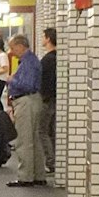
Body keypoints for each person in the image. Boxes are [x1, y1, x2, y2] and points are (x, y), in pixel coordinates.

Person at [5, 34, 45, 186]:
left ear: (21, 45)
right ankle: (38, 174)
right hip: (33, 100)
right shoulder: (31, 60)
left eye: (13, 47)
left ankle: (25, 176)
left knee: (24, 140)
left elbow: (26, 84)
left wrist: (11, 80)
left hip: (26, 101)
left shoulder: (27, 62)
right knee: (34, 139)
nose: (11, 51)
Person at [40, 27, 58, 178]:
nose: (42, 39)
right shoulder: (58, 57)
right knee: (51, 131)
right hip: (55, 98)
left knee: (43, 131)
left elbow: (44, 81)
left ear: (48, 39)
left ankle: (50, 162)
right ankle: (54, 160)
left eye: (43, 36)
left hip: (46, 99)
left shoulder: (47, 60)